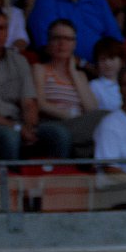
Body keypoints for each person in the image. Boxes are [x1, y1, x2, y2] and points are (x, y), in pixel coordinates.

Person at [0, 6, 71, 160]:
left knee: (59, 134)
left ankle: (59, 175)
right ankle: (9, 176)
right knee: (10, 137)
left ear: (7, 31)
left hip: (19, 122)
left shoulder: (19, 60)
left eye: (1, 28)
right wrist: (16, 128)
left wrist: (29, 127)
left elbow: (29, 102)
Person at [31, 18, 107, 157]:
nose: (62, 43)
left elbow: (91, 109)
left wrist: (73, 72)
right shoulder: (40, 69)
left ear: (74, 44)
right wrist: (71, 116)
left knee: (106, 119)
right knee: (103, 120)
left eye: (67, 39)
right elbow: (40, 104)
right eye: (57, 38)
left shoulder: (80, 76)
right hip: (52, 124)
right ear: (49, 42)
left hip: (78, 125)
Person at [94, 64, 126, 176]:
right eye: (125, 84)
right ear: (119, 89)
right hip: (122, 186)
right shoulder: (109, 124)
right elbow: (109, 169)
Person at [89, 36, 125, 112]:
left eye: (112, 58)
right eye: (103, 59)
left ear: (121, 61)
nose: (107, 63)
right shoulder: (94, 85)